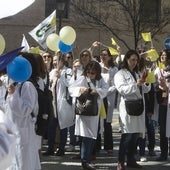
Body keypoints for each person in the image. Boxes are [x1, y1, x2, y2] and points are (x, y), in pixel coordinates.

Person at [114, 49, 150, 170]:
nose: (134, 62)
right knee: (127, 135)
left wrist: (145, 82)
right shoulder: (120, 74)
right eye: (132, 60)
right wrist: (136, 85)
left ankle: (131, 159)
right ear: (127, 60)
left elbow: (145, 90)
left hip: (139, 107)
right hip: (128, 107)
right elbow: (122, 89)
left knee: (135, 135)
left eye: (136, 60)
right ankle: (120, 161)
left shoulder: (137, 73)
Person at [69, 60, 108, 170]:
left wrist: (97, 91)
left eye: (93, 73)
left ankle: (87, 160)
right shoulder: (82, 79)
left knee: (91, 137)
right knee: (86, 137)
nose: (90, 75)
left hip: (94, 112)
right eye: (89, 72)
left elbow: (106, 89)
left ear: (97, 73)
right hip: (84, 112)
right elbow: (71, 89)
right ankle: (85, 161)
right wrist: (79, 89)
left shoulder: (100, 80)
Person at [5, 52, 41, 170]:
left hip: (23, 133)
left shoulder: (27, 86)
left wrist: (13, 95)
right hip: (13, 133)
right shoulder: (15, 85)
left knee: (24, 164)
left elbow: (25, 110)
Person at [98, 48, 118, 155]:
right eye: (101, 54)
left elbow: (115, 85)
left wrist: (105, 92)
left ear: (110, 57)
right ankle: (97, 146)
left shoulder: (114, 69)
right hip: (99, 96)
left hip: (108, 97)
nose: (103, 56)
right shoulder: (98, 66)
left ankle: (108, 146)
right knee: (97, 122)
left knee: (107, 123)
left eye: (105, 55)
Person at [155, 49, 170, 161]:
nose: (163, 57)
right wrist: (160, 88)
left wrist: (167, 87)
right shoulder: (158, 71)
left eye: (165, 55)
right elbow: (154, 87)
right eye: (162, 55)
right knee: (163, 130)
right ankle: (163, 154)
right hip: (163, 104)